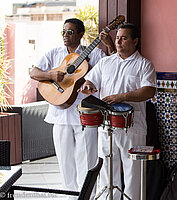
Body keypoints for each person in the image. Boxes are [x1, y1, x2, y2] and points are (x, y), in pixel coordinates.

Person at [29, 18, 115, 200]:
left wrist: (109, 45)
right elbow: (34, 72)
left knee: (87, 160)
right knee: (65, 161)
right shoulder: (54, 53)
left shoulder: (95, 54)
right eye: (63, 32)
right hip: (59, 114)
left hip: (85, 115)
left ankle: (87, 197)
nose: (65, 36)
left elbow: (112, 67)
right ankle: (70, 195)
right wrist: (51, 74)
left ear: (81, 34)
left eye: (70, 32)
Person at [78, 23, 156, 200]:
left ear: (135, 41)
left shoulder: (144, 65)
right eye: (118, 37)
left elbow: (149, 91)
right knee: (106, 168)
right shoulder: (105, 62)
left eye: (124, 38)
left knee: (133, 172)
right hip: (106, 125)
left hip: (133, 127)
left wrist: (121, 97)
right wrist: (88, 85)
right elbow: (90, 81)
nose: (119, 41)